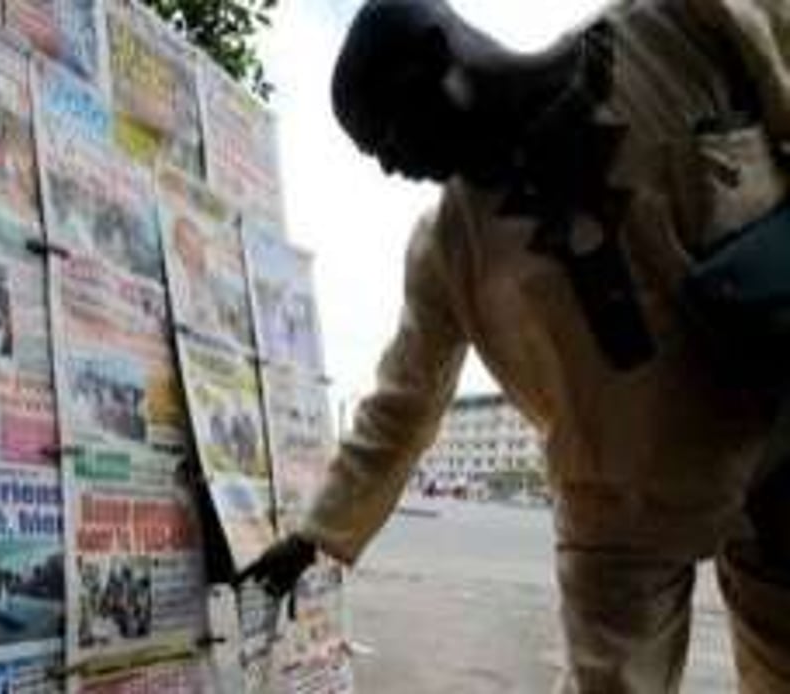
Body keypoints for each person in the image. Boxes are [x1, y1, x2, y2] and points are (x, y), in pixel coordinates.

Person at [238, 0, 790, 691]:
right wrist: (317, 534)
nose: (387, 166)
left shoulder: (686, 29)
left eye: (384, 135)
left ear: (436, 59)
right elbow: (401, 403)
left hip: (776, 450)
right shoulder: (447, 250)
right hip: (614, 517)